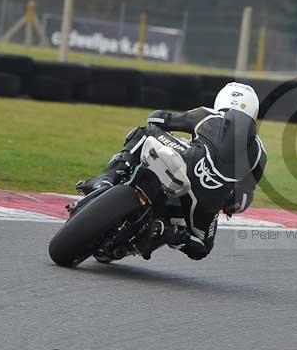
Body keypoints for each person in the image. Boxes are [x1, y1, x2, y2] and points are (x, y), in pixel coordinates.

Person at [76, 82, 267, 261]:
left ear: (221, 101)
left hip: (188, 159)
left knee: (144, 132)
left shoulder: (206, 115)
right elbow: (240, 202)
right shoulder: (260, 154)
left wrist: (165, 134)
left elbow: (158, 117)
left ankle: (108, 178)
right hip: (206, 201)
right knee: (202, 247)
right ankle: (170, 233)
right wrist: (224, 198)